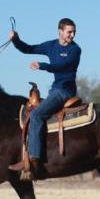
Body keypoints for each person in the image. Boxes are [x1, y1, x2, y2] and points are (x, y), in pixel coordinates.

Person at [8, 18, 81, 170]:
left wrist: (42, 66)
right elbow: (28, 49)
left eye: (74, 32)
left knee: (36, 115)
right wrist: (16, 40)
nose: (72, 35)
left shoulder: (75, 50)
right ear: (60, 31)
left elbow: (63, 66)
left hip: (65, 91)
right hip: (54, 90)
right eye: (69, 32)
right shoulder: (51, 45)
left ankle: (34, 159)